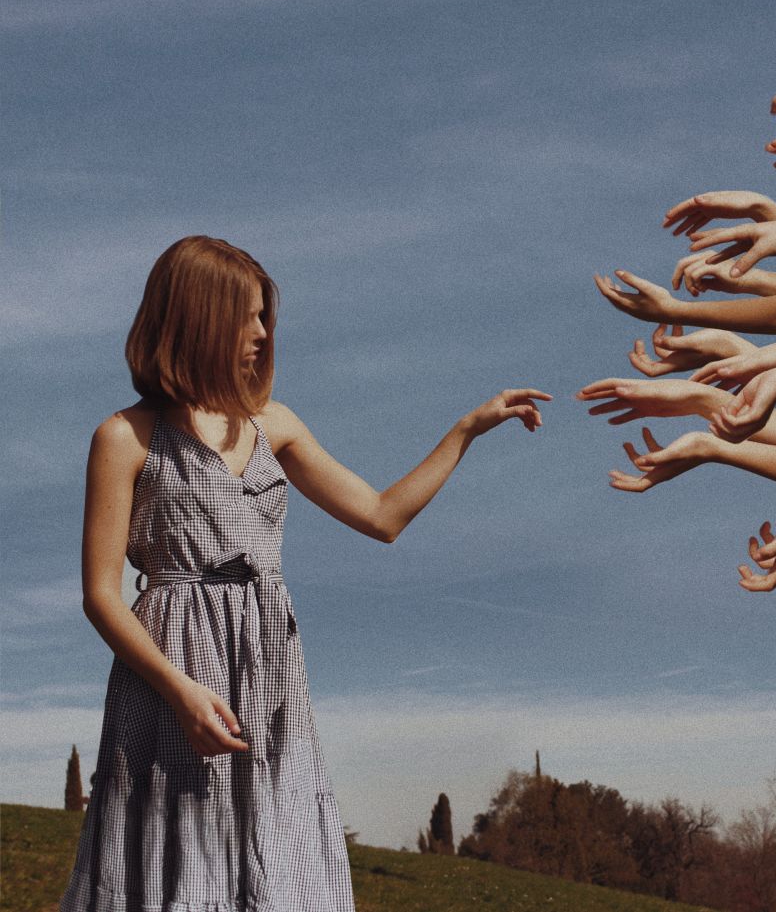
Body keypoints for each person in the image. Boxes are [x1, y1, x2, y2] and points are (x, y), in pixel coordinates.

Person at [59, 235, 550, 912]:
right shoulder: (125, 437)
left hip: (269, 673)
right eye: (248, 316)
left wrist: (465, 429)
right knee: (177, 861)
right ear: (198, 316)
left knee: (279, 855)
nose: (263, 333)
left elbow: (382, 514)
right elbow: (100, 595)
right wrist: (180, 690)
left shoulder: (276, 425)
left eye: (266, 316)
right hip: (171, 674)